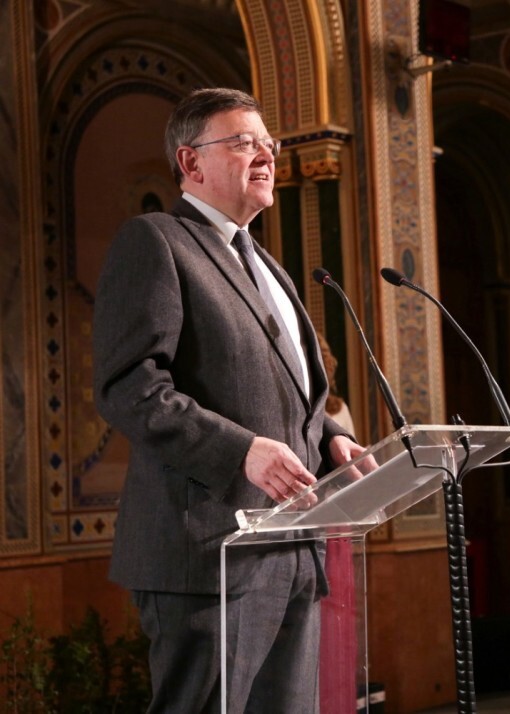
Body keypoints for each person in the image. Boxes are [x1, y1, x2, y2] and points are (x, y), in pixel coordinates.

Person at [92, 87, 365, 713]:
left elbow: (280, 392)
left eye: (268, 144)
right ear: (191, 162)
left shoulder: (270, 267)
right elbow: (130, 386)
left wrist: (330, 439)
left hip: (293, 545)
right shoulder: (157, 241)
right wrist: (240, 451)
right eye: (244, 143)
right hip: (209, 552)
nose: (266, 155)